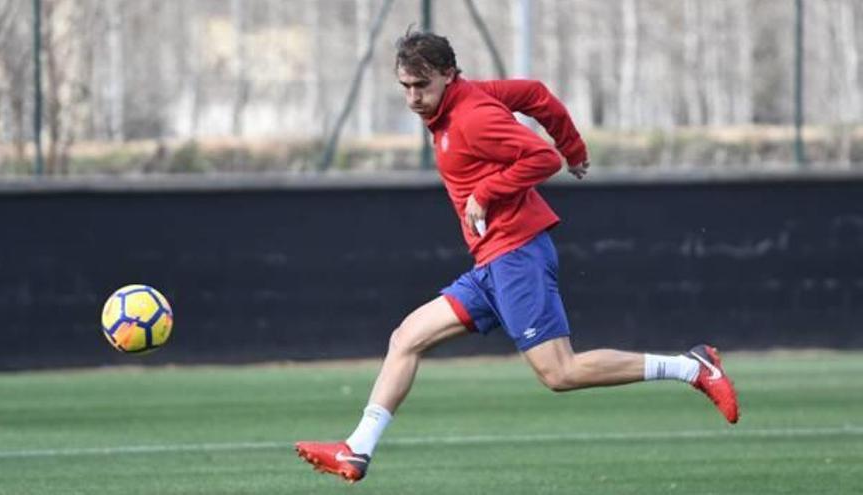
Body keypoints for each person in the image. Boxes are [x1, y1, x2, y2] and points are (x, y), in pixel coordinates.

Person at [295, 31, 739, 483]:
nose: (413, 96)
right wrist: (576, 149)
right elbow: (534, 94)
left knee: (560, 373)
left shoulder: (471, 118)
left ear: (449, 75)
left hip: (516, 254)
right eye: (405, 86)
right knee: (406, 337)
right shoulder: (462, 100)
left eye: (421, 85)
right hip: (492, 261)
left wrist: (488, 191)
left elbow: (540, 158)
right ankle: (357, 450)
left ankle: (691, 366)